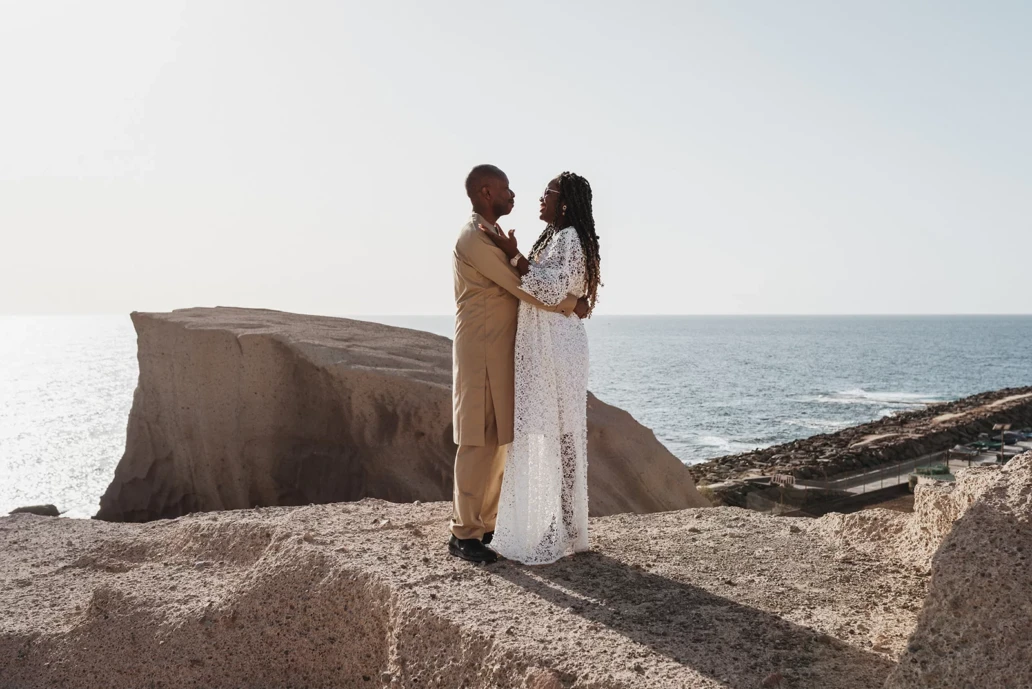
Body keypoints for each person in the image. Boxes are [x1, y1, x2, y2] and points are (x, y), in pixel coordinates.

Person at [449, 165, 588, 564]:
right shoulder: (475, 238)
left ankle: (485, 524)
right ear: (487, 192)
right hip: (480, 353)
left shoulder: (491, 236)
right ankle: (463, 533)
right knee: (476, 440)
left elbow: (529, 276)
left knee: (499, 439)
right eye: (507, 190)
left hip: (502, 354)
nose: (515, 197)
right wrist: (572, 305)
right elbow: (521, 287)